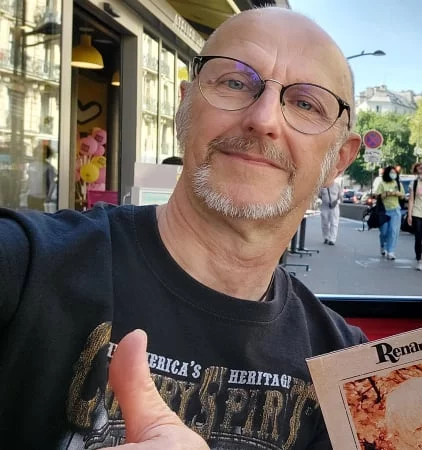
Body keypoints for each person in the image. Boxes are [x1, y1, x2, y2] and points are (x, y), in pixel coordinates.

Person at [0, 8, 369, 448]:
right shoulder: (25, 265)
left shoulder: (347, 373)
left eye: (306, 104)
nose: (264, 119)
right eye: (235, 82)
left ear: (340, 159)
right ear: (184, 105)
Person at [375, 165, 404, 260]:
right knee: (384, 231)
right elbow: (377, 196)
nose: (393, 174)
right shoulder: (382, 183)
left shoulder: (398, 184)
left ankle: (391, 251)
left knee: (393, 231)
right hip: (384, 211)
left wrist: (397, 193)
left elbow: (403, 196)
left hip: (395, 210)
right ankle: (383, 245)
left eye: (395, 173)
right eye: (391, 172)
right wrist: (386, 193)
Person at [319, 176, 342, 245]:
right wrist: (325, 200)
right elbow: (319, 195)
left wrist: (335, 202)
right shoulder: (322, 186)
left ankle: (332, 239)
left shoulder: (337, 185)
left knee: (334, 223)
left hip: (334, 207)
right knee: (324, 223)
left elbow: (340, 196)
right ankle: (326, 237)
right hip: (325, 206)